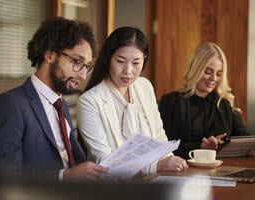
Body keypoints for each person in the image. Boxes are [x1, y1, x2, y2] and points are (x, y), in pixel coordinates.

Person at [0, 17, 108, 180]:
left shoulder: (62, 104)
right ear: (50, 55)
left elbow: (78, 162)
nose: (83, 74)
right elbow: (5, 178)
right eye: (77, 62)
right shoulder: (10, 105)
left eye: (87, 66)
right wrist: (64, 176)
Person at [77, 26, 188, 175]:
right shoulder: (89, 101)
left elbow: (158, 134)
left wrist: (170, 160)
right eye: (121, 61)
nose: (128, 71)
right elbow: (103, 160)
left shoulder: (144, 86)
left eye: (136, 63)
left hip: (155, 180)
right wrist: (156, 166)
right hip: (115, 188)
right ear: (109, 58)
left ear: (145, 59)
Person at [158, 42, 255, 160]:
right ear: (195, 69)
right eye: (208, 72)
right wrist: (200, 147)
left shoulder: (226, 100)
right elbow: (164, 146)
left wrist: (251, 147)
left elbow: (241, 134)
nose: (213, 79)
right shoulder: (170, 102)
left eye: (218, 74)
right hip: (185, 169)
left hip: (224, 168)